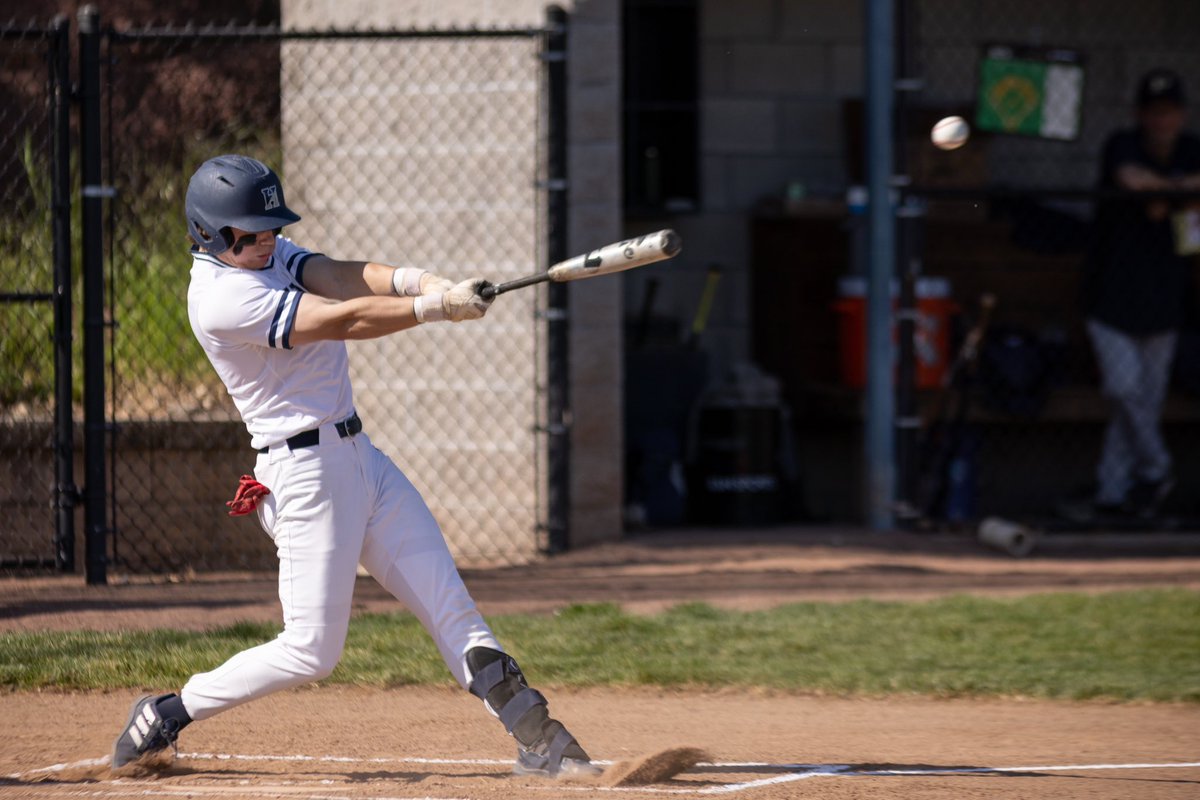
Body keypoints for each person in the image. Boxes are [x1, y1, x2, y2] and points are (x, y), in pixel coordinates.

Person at [110, 154, 600, 780]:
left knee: (450, 605)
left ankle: (543, 739)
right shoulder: (221, 300)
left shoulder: (266, 252)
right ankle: (168, 712)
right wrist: (435, 310)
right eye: (251, 231)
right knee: (312, 651)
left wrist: (419, 282)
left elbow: (337, 276)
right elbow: (340, 318)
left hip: (360, 461)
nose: (266, 239)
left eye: (270, 228)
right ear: (210, 233)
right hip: (305, 480)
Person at [1071, 68, 1200, 521]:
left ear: (1181, 114)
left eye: (1169, 112)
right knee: (1124, 389)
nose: (1162, 121)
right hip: (1110, 298)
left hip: (1165, 299)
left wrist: (1166, 193)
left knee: (1141, 403)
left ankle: (1112, 492)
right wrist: (1180, 192)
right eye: (1154, 112)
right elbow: (1130, 178)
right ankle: (1156, 467)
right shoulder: (1122, 143)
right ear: (1140, 114)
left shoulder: (1191, 148)